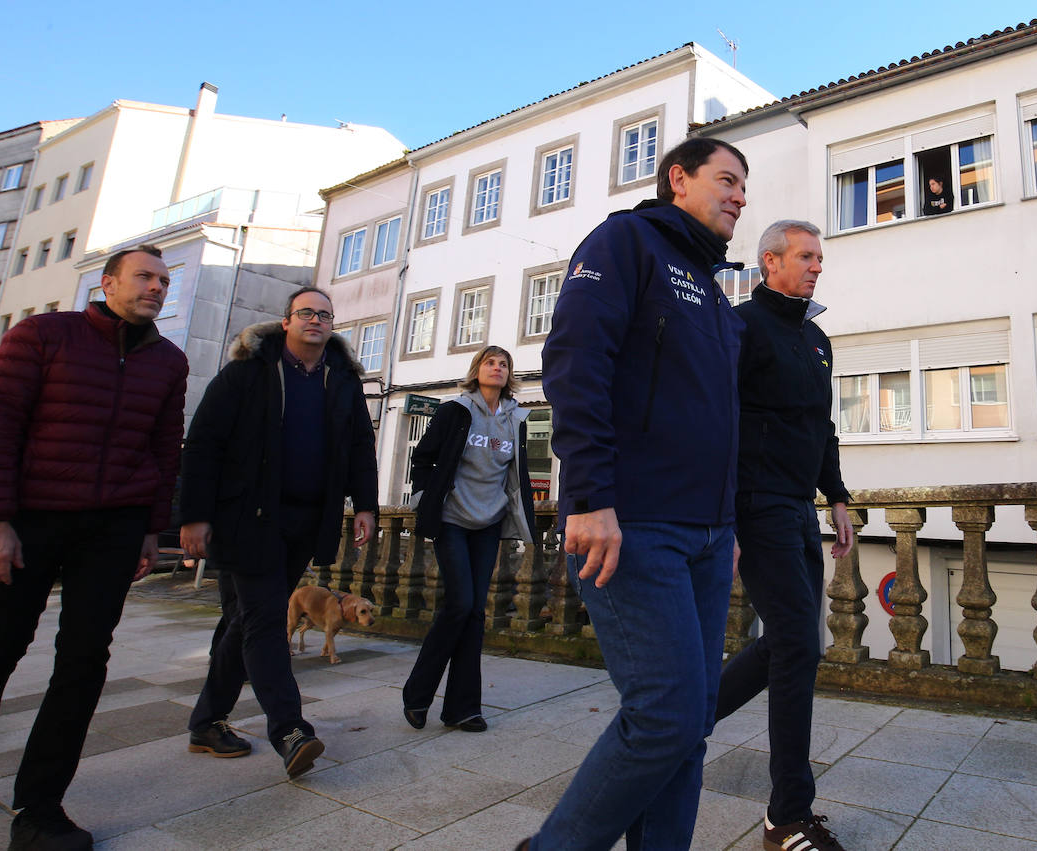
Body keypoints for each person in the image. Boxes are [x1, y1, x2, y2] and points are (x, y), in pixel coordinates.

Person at [524, 137, 748, 851]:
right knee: (664, 714)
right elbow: (575, 361)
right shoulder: (627, 241)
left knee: (692, 722)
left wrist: (729, 520)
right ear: (678, 178)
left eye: (746, 186)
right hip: (634, 521)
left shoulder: (713, 290)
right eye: (728, 179)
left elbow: (718, 415)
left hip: (708, 534)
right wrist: (586, 494)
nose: (741, 195)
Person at [0, 246, 188, 849]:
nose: (157, 288)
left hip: (113, 527)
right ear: (108, 283)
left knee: (84, 662)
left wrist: (149, 529)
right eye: (145, 277)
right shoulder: (42, 335)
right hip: (29, 519)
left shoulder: (169, 361)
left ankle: (40, 808)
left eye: (165, 280)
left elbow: (165, 451)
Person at [179, 287, 378, 780]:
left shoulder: (342, 380)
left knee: (247, 620)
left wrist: (366, 504)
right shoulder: (250, 371)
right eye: (306, 312)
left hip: (307, 519)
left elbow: (359, 445)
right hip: (249, 517)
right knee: (267, 619)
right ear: (285, 321)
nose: (316, 319)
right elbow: (203, 443)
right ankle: (290, 730)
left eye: (325, 314)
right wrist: (192, 515)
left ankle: (206, 722)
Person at [714, 220, 855, 851]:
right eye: (805, 256)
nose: (816, 266)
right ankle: (787, 817)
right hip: (754, 503)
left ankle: (686, 720)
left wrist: (839, 496)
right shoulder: (741, 327)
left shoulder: (817, 338)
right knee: (797, 642)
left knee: (795, 641)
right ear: (769, 262)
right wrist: (726, 516)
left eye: (820, 258)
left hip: (797, 505)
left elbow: (819, 425)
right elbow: (719, 422)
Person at [401, 345, 535, 733]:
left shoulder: (516, 419)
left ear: (510, 375)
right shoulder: (455, 411)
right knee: (459, 604)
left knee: (476, 611)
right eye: (491, 362)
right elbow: (422, 458)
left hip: (489, 521)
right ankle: (418, 693)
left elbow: (516, 472)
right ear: (477, 370)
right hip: (452, 519)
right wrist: (426, 499)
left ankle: (463, 708)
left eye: (504, 364)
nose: (497, 368)